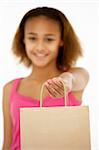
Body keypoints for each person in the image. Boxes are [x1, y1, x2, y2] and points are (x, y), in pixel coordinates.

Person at [2, 6, 89, 150]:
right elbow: (8, 143)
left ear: (61, 41)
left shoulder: (76, 76)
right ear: (23, 39)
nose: (40, 47)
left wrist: (65, 81)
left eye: (49, 39)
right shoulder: (10, 89)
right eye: (32, 38)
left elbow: (76, 79)